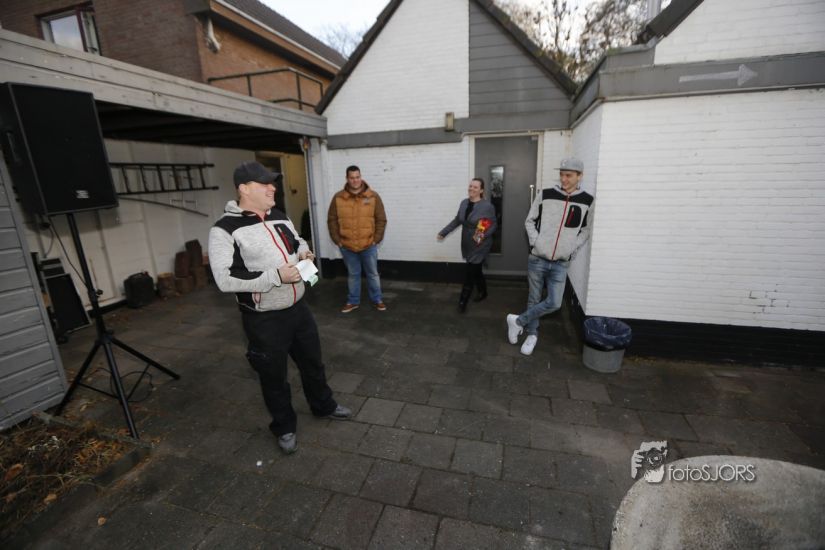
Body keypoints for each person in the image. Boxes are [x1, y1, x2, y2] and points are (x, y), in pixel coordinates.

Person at [208, 161, 351, 455]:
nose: (272, 188)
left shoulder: (279, 216)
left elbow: (296, 241)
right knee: (273, 376)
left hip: (299, 308)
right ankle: (284, 427)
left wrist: (304, 252)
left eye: (272, 183)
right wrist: (275, 276)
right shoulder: (224, 230)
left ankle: (323, 406)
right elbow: (224, 279)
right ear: (244, 189)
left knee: (313, 363)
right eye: (265, 184)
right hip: (264, 319)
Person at [506, 157, 594, 356]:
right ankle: (532, 334)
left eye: (568, 175)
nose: (564, 179)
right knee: (534, 298)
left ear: (580, 176)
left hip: (561, 262)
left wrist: (572, 247)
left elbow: (586, 229)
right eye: (562, 175)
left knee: (554, 303)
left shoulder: (587, 201)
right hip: (538, 258)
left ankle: (517, 321)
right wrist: (536, 242)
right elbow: (529, 221)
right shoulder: (546, 194)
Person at [327, 165, 388, 313]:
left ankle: (377, 299)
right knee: (353, 275)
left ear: (361, 177)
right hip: (347, 245)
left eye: (357, 177)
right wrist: (337, 240)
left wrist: (376, 239)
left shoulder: (373, 196)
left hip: (369, 244)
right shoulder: (338, 198)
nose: (355, 180)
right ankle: (353, 301)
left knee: (372, 274)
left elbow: (381, 219)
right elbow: (332, 220)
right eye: (352, 178)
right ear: (347, 178)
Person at [437, 178, 497, 312]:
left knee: (470, 272)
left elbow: (493, 225)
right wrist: (444, 232)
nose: (472, 189)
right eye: (470, 186)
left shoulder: (487, 206)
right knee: (476, 269)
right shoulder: (464, 203)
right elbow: (457, 220)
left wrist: (482, 236)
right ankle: (483, 292)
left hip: (481, 243)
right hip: (467, 242)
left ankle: (462, 302)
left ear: (481, 190)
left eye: (475, 187)